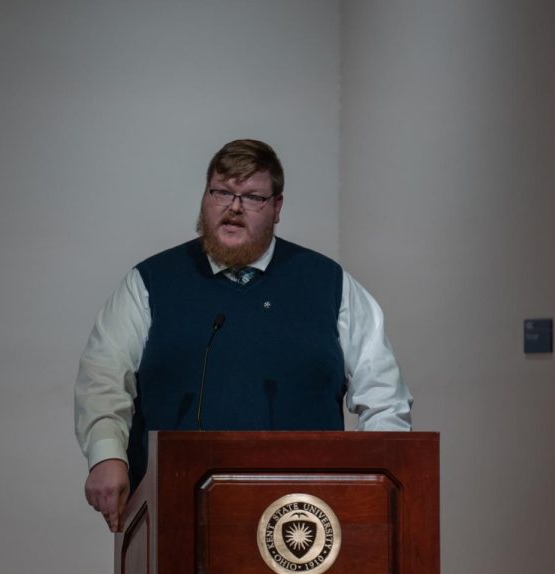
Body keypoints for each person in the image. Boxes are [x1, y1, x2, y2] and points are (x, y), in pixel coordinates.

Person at [75, 139, 412, 532]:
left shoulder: (328, 283)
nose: (233, 208)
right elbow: (103, 374)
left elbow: (384, 396)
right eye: (221, 192)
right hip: (174, 512)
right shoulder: (150, 282)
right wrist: (106, 455)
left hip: (306, 520)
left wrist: (377, 483)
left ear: (277, 208)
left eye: (252, 197)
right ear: (205, 197)